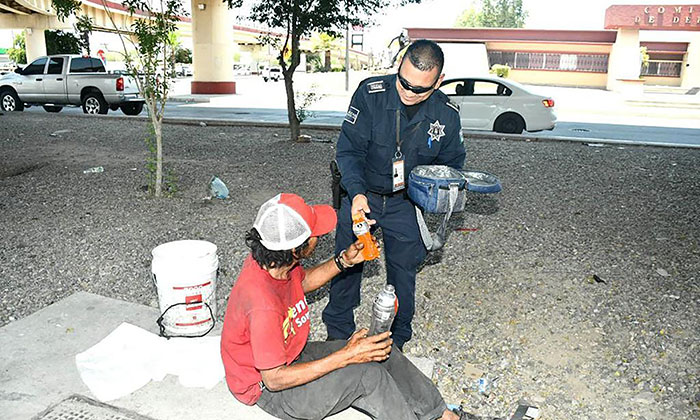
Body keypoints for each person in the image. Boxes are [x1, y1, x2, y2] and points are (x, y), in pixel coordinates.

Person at [220, 193, 474, 420]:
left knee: (379, 348)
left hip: (292, 354)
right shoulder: (262, 304)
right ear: (296, 249)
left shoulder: (273, 261)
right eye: (315, 234)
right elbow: (274, 379)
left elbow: (301, 282)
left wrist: (344, 261)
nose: (320, 236)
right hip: (271, 390)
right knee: (367, 375)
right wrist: (347, 356)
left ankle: (442, 416)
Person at [322, 39, 466, 350]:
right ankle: (337, 329)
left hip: (407, 204)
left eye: (420, 89)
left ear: (439, 81)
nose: (409, 92)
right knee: (348, 262)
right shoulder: (371, 94)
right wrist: (356, 193)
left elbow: (453, 165)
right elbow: (348, 151)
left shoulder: (447, 114)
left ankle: (397, 337)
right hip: (365, 196)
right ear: (399, 66)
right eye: (404, 81)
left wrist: (438, 196)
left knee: (403, 273)